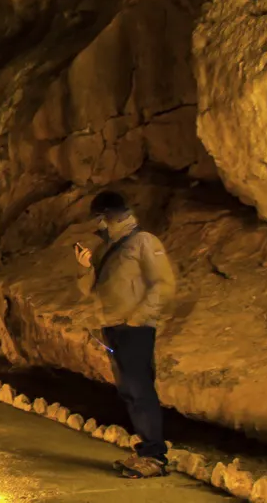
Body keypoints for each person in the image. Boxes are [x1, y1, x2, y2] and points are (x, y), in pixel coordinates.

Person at [74, 191, 177, 479]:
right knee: (130, 392)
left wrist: (138, 318)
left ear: (109, 215)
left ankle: (155, 458)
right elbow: (90, 291)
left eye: (99, 219)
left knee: (141, 391)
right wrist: (84, 269)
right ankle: (145, 450)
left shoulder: (144, 241)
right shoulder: (112, 248)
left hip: (134, 329)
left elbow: (163, 284)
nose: (98, 225)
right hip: (114, 327)